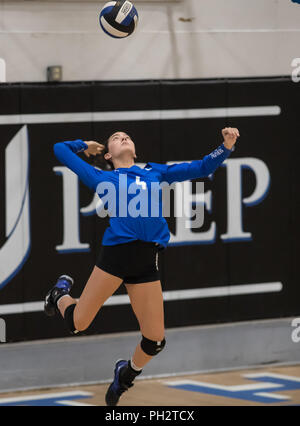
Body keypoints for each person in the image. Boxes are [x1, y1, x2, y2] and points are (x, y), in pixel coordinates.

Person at [44, 127, 240, 406]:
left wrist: (226, 146)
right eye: (115, 137)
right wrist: (84, 145)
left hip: (146, 259)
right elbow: (59, 149)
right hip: (116, 257)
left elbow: (201, 167)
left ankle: (125, 375)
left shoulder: (154, 171)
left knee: (155, 340)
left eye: (127, 136)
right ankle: (59, 294)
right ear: (109, 154)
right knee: (78, 324)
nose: (122, 137)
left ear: (135, 150)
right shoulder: (102, 176)